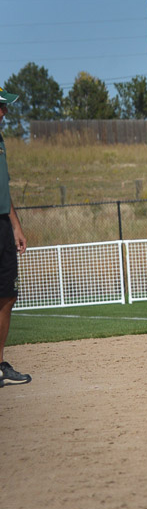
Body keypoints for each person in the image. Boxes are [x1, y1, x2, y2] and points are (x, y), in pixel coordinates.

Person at [0, 88, 30, 387]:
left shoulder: (0, 141)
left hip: (2, 225)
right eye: (0, 106)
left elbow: (3, 189)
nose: (4, 112)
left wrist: (15, 225)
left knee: (7, 296)